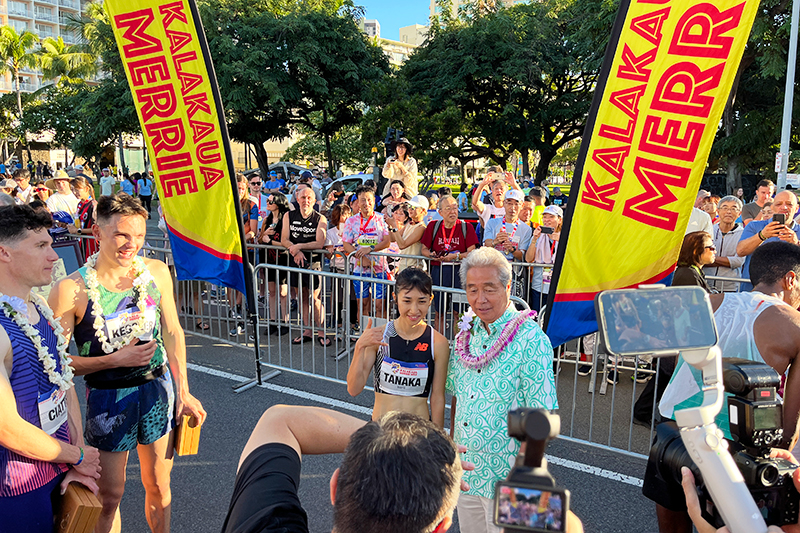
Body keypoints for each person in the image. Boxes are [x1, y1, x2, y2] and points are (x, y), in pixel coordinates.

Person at [48, 194, 207, 533]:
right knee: (109, 495)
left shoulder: (156, 272)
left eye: (138, 235)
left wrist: (184, 391)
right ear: (97, 232)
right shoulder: (70, 289)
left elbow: (174, 332)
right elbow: (56, 365)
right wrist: (114, 359)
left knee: (160, 487)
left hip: (156, 391)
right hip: (107, 398)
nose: (131, 244)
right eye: (122, 235)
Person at [646, 241, 800, 533]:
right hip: (736, 451)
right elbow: (790, 425)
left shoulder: (704, 302)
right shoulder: (795, 326)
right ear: (790, 279)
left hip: (674, 434)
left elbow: (670, 364)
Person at [0, 205, 102, 532]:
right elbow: (7, 429)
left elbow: (64, 383)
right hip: (15, 487)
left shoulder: (39, 307)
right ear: (4, 253)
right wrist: (77, 455)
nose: (55, 257)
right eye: (40, 246)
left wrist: (77, 452)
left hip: (57, 468)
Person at [447, 247, 558, 533]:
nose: (480, 299)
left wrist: (524, 478)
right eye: (472, 290)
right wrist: (452, 449)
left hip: (513, 474)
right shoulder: (465, 334)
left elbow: (542, 416)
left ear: (508, 286)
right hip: (469, 471)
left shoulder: (532, 338)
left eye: (489, 289)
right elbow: (457, 396)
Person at [220, 406, 467, 533]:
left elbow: (280, 420)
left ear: (335, 487)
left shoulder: (263, 525)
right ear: (442, 527)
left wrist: (385, 439)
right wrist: (414, 450)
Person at [347, 268, 450, 426]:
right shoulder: (380, 336)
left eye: (422, 301)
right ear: (395, 298)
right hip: (381, 434)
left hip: (418, 436)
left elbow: (437, 397)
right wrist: (360, 346)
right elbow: (354, 390)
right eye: (407, 301)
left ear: (430, 300)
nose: (414, 310)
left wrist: (439, 441)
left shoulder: (438, 342)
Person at [421, 195, 479, 333]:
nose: (453, 212)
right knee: (439, 312)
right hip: (439, 272)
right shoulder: (433, 226)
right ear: (440, 212)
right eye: (448, 209)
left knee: (458, 313)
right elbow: (423, 249)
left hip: (459, 273)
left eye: (455, 208)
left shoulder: (466, 227)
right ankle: (439, 344)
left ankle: (458, 346)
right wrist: (432, 255)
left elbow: (472, 252)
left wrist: (456, 256)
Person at [281, 186, 329, 347]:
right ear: (297, 199)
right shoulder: (289, 215)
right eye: (303, 198)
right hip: (295, 260)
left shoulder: (320, 218)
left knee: (316, 298)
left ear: (314, 201)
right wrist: (295, 251)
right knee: (301, 296)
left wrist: (299, 246)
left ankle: (321, 331)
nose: (306, 201)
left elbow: (319, 242)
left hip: (313, 262)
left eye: (309, 198)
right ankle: (308, 330)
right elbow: (284, 239)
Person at [341, 185, 392, 320]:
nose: (366, 203)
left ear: (374, 201)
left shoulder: (381, 219)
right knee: (363, 304)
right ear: (357, 202)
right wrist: (360, 258)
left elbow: (386, 241)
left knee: (380, 304)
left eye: (369, 199)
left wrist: (371, 249)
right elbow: (346, 243)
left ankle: (381, 336)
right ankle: (364, 335)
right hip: (360, 269)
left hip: (379, 269)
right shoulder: (351, 221)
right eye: (362, 200)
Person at [736, 189, 800, 292]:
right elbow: (740, 251)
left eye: (789, 204)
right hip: (753, 291)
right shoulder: (755, 226)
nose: (784, 207)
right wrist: (762, 235)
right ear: (772, 207)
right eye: (779, 204)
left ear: (796, 208)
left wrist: (796, 243)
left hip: (789, 294)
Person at [260, 192, 290, 336]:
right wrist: (264, 233)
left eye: (271, 201)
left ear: (278, 203)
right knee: (271, 291)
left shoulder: (286, 219)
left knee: (283, 292)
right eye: (268, 200)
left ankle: (285, 321)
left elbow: (286, 244)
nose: (268, 203)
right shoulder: (267, 219)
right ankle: (272, 321)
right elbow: (260, 240)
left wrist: (270, 241)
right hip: (268, 259)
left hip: (283, 259)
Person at [525, 205, 563, 313]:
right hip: (539, 286)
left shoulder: (566, 236)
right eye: (545, 217)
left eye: (551, 217)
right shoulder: (539, 235)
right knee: (538, 316)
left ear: (559, 220)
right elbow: (528, 259)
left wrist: (561, 242)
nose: (546, 220)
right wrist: (534, 240)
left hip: (558, 288)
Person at [704, 196, 745, 292]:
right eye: (725, 208)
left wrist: (711, 259)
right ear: (718, 211)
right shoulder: (709, 230)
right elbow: (701, 258)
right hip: (706, 284)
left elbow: (738, 261)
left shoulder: (743, 234)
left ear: (739, 213)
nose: (729, 212)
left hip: (730, 286)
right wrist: (727, 261)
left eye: (733, 209)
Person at [324, 203, 351, 331]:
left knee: (352, 296)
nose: (344, 218)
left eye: (346, 214)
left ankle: (352, 323)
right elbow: (329, 255)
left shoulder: (353, 231)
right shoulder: (330, 232)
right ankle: (336, 321)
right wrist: (333, 251)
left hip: (351, 268)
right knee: (336, 296)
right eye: (342, 215)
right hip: (336, 267)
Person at [386, 194, 428, 273]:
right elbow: (393, 239)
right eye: (409, 206)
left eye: (414, 207)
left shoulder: (421, 228)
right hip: (403, 267)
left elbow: (402, 245)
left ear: (423, 211)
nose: (410, 209)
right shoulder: (409, 224)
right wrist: (390, 226)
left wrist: (394, 226)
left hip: (414, 269)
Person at [68, 176, 99, 260]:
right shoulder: (80, 205)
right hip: (82, 243)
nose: (75, 192)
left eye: (77, 190)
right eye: (73, 190)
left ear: (86, 189)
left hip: (91, 245)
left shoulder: (93, 205)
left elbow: (96, 228)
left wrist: (78, 231)